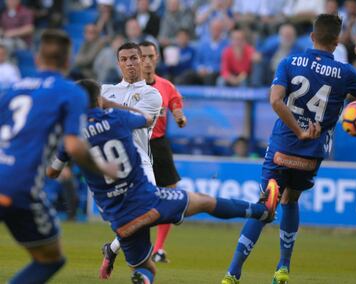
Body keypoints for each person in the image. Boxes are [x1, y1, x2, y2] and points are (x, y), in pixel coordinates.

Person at [47, 79, 280, 284]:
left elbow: (52, 172)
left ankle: (142, 277)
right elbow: (147, 119)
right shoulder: (116, 117)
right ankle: (261, 211)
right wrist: (112, 104)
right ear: (99, 99)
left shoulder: (71, 137)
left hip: (119, 219)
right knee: (205, 202)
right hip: (148, 200)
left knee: (146, 268)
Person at [221, 14, 356, 284]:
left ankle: (233, 273)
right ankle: (282, 267)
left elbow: (275, 101)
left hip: (283, 145)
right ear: (337, 41)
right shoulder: (345, 73)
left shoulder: (290, 62)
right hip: (312, 154)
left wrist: (298, 130)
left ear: (312, 37)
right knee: (291, 201)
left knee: (264, 206)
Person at [0, 29, 117, 284]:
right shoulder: (71, 92)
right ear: (68, 61)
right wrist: (103, 168)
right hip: (20, 188)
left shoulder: (12, 89)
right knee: (51, 259)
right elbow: (74, 146)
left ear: (37, 57)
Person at [98, 41, 162, 279]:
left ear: (143, 60)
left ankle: (113, 249)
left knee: (151, 211)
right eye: (124, 59)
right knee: (134, 218)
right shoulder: (105, 90)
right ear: (118, 64)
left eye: (134, 58)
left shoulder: (151, 94)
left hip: (140, 161)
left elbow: (137, 119)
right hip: (112, 165)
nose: (130, 63)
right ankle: (143, 271)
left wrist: (106, 106)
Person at [138, 40, 187, 263]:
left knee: (170, 194)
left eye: (150, 56)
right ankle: (138, 247)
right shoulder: (131, 88)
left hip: (159, 145)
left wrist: (179, 116)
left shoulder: (166, 85)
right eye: (143, 57)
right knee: (139, 199)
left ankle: (158, 248)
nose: (147, 61)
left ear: (157, 58)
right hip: (137, 144)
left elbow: (176, 102)